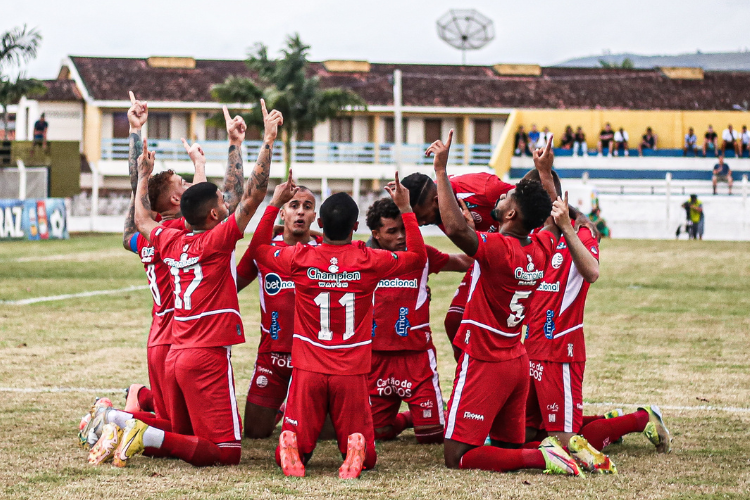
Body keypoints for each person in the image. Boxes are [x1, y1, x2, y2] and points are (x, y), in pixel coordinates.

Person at [99, 101, 283, 469]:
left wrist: (142, 160)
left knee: (180, 428)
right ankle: (133, 426)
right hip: (197, 345)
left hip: (170, 341)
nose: (191, 184)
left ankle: (122, 420)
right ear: (176, 201)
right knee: (223, 445)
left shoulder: (161, 237)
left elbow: (136, 220)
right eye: (183, 184)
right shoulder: (207, 236)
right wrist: (267, 140)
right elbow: (246, 196)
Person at [249, 174, 427, 479]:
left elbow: (259, 250)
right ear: (356, 227)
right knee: (366, 456)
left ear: (318, 221)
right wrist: (406, 209)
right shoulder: (368, 259)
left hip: (308, 367)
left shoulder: (301, 257)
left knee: (298, 442)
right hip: (352, 369)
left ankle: (292, 448)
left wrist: (274, 204)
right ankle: (355, 447)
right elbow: (417, 257)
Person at [428, 131, 581, 475]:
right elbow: (555, 218)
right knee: (506, 446)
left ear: (511, 214)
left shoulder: (500, 249)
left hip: (486, 358)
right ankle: (535, 453)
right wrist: (544, 174)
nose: (504, 195)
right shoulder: (541, 247)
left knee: (456, 457)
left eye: (508, 195)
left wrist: (441, 171)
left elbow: (454, 227)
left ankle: (542, 456)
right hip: (516, 359)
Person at [524, 170, 671, 467]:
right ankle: (608, 421)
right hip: (528, 348)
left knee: (566, 446)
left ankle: (641, 419)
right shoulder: (529, 235)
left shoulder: (580, 232)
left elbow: (592, 272)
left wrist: (566, 226)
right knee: (528, 435)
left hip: (559, 351)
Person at [365, 198, 473, 444]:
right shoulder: (362, 257)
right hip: (375, 359)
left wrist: (470, 233)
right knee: (376, 435)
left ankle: (429, 416)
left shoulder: (421, 254)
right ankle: (408, 418)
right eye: (393, 231)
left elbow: (466, 262)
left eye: (405, 228)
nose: (402, 236)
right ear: (376, 234)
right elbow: (329, 246)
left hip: (417, 359)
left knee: (433, 437)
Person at [235, 185, 321, 439]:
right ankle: (284, 409)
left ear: (315, 215)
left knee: (325, 434)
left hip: (315, 355)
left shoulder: (326, 249)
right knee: (255, 432)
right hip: (273, 353)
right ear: (282, 213)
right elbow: (232, 286)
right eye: (294, 206)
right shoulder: (262, 251)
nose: (300, 212)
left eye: (307, 207)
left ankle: (296, 406)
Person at [400, 170, 513, 360]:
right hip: (486, 261)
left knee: (511, 325)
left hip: (516, 259)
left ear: (436, 201)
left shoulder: (482, 188)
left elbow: (531, 198)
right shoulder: (436, 210)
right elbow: (471, 256)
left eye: (421, 217)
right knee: (454, 320)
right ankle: (467, 375)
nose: (420, 224)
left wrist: (575, 218)